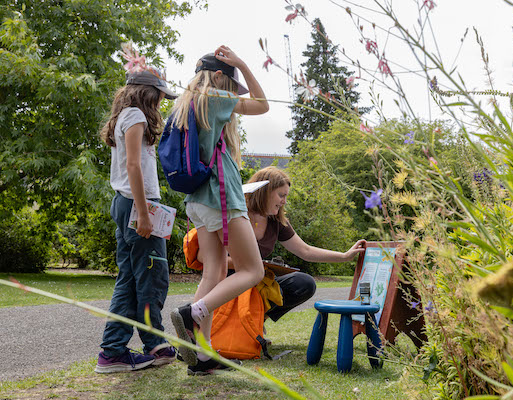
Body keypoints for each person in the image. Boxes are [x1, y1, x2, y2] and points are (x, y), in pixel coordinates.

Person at [169, 46, 269, 376]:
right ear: (217, 76)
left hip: (197, 199)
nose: (231, 95)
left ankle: (202, 353)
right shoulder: (212, 96)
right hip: (221, 196)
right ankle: (192, 312)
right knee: (252, 270)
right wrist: (241, 62)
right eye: (230, 84)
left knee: (213, 272)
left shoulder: (184, 103)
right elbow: (262, 104)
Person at [198, 166, 367, 327]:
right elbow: (202, 256)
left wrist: (344, 256)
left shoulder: (276, 220)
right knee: (251, 275)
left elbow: (305, 251)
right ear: (264, 192)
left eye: (286, 196)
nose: (284, 201)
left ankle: (257, 320)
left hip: (258, 279)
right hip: (229, 279)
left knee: (304, 283)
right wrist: (250, 264)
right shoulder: (234, 213)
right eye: (281, 195)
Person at [96, 61, 178, 373]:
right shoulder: (134, 116)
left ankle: (114, 351)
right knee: (152, 276)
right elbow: (133, 166)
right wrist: (144, 213)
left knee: (131, 279)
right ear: (148, 94)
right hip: (135, 206)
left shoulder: (127, 116)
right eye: (159, 96)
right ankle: (154, 344)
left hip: (128, 204)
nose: (160, 103)